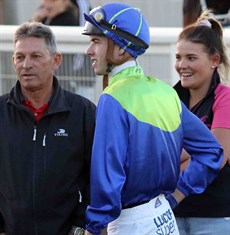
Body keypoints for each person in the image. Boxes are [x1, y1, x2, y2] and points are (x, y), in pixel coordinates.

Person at [81, 3, 224, 235]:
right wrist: (177, 196)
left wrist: (94, 227)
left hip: (130, 223)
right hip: (164, 217)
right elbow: (212, 152)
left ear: (120, 48)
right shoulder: (166, 92)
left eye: (96, 41)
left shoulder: (112, 98)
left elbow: (108, 173)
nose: (89, 50)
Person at [0, 21, 96, 235]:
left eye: (36, 56)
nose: (26, 65)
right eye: (20, 57)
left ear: (56, 60)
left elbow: (97, 178)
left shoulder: (83, 112)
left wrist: (80, 227)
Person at [173, 9, 230, 235]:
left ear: (214, 60)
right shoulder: (170, 97)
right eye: (178, 57)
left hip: (213, 218)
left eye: (191, 58)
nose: (182, 65)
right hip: (171, 214)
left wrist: (174, 160)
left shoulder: (224, 97)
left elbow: (217, 155)